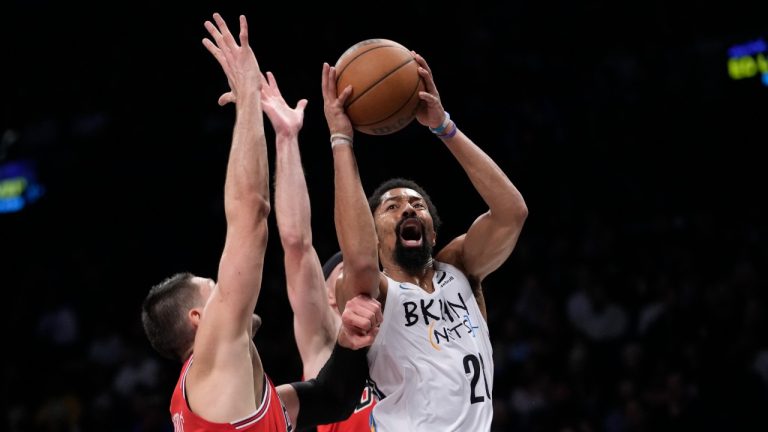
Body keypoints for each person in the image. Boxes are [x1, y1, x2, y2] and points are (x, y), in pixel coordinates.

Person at [141, 13, 381, 432]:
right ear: (200, 320)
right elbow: (251, 213)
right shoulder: (212, 361)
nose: (231, 290)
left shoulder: (235, 393)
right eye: (216, 290)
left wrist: (286, 138)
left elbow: (332, 399)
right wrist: (248, 96)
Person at [321, 49, 528, 431]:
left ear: (432, 230)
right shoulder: (376, 293)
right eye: (392, 207)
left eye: (417, 205)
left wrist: (445, 127)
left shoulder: (461, 270)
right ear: (375, 235)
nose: (408, 209)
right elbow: (361, 261)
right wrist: (341, 139)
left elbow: (511, 212)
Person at [272, 61, 377, 430]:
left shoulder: (403, 337)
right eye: (345, 274)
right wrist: (286, 139)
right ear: (330, 296)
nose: (361, 279)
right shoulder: (323, 342)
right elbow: (297, 244)